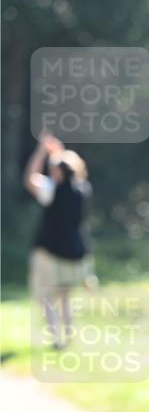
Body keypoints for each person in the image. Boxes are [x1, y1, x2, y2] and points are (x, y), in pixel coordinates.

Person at [23, 131, 95, 350]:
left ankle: (56, 339)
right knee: (64, 296)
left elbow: (29, 178)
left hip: (49, 251)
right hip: (73, 251)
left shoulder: (51, 189)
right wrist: (59, 152)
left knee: (45, 296)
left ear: (56, 171)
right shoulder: (83, 189)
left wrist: (41, 151)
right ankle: (69, 335)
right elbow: (69, 167)